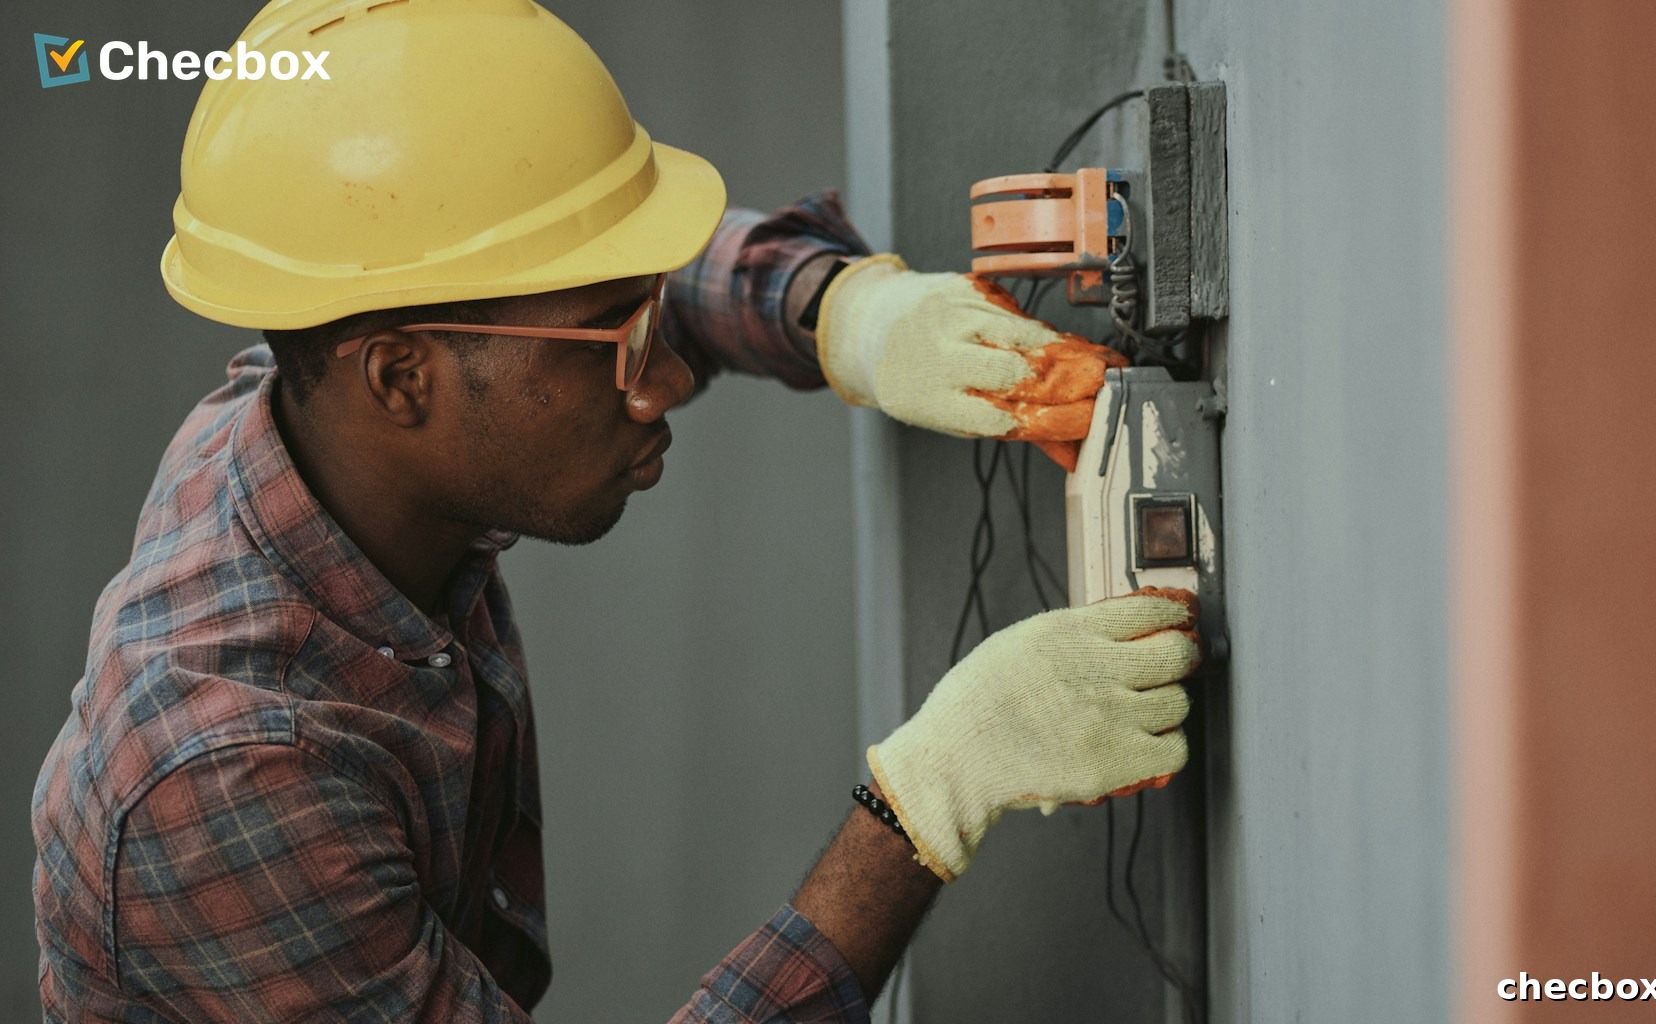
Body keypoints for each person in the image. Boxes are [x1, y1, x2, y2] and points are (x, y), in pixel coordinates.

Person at [31, 2, 1200, 1021]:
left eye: (645, 320)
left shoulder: (322, 395)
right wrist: (924, 801)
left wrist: (841, 310)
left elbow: (569, 285)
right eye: (615, 343)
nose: (660, 380)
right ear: (400, 379)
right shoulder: (227, 777)